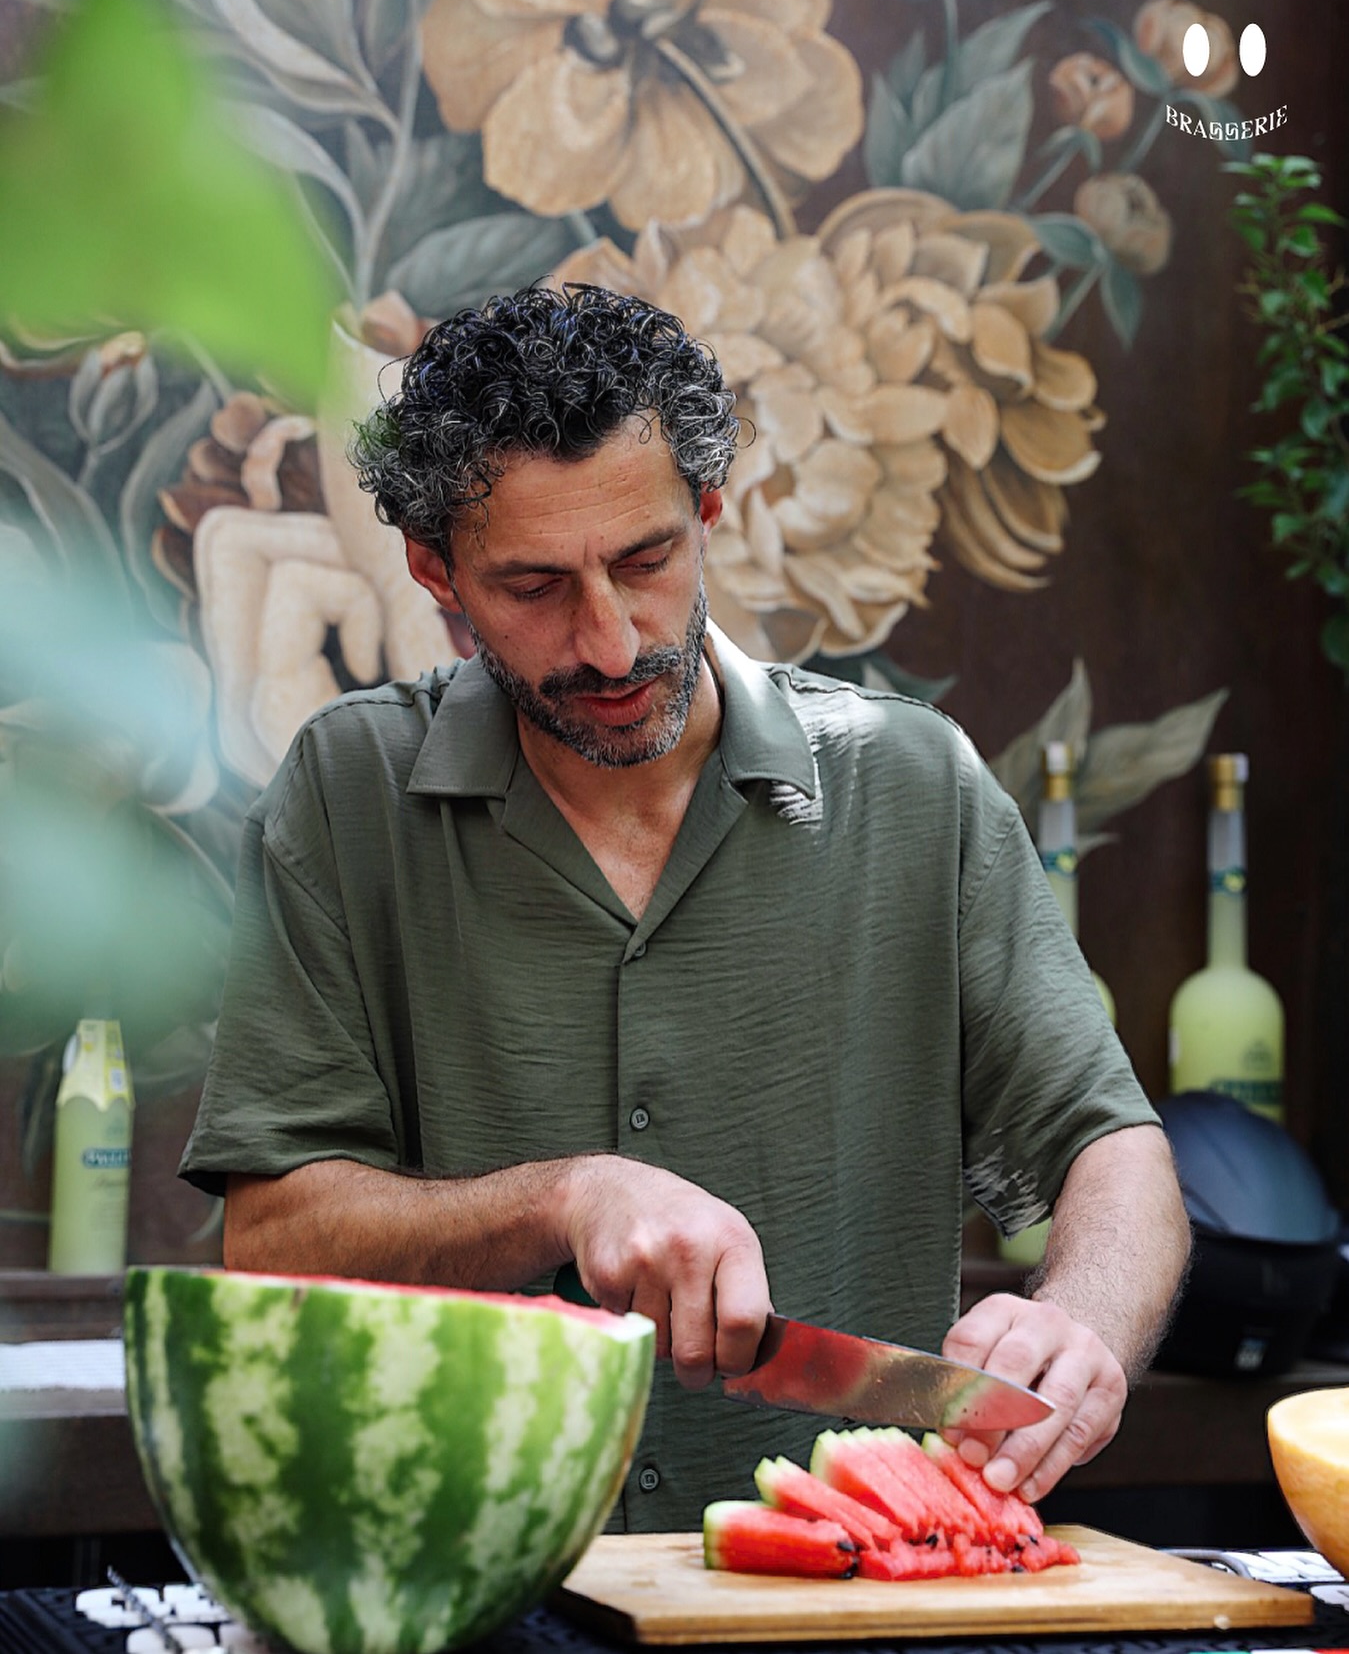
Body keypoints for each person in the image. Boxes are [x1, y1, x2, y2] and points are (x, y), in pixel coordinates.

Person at [181, 284, 1190, 1533]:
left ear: (707, 511)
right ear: (435, 573)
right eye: (533, 586)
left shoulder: (914, 784)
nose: (610, 643)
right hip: (461, 1582)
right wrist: (563, 1196)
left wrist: (1080, 1323)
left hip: (841, 1589)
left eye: (645, 560)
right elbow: (272, 1234)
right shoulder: (346, 789)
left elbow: (1112, 1148)